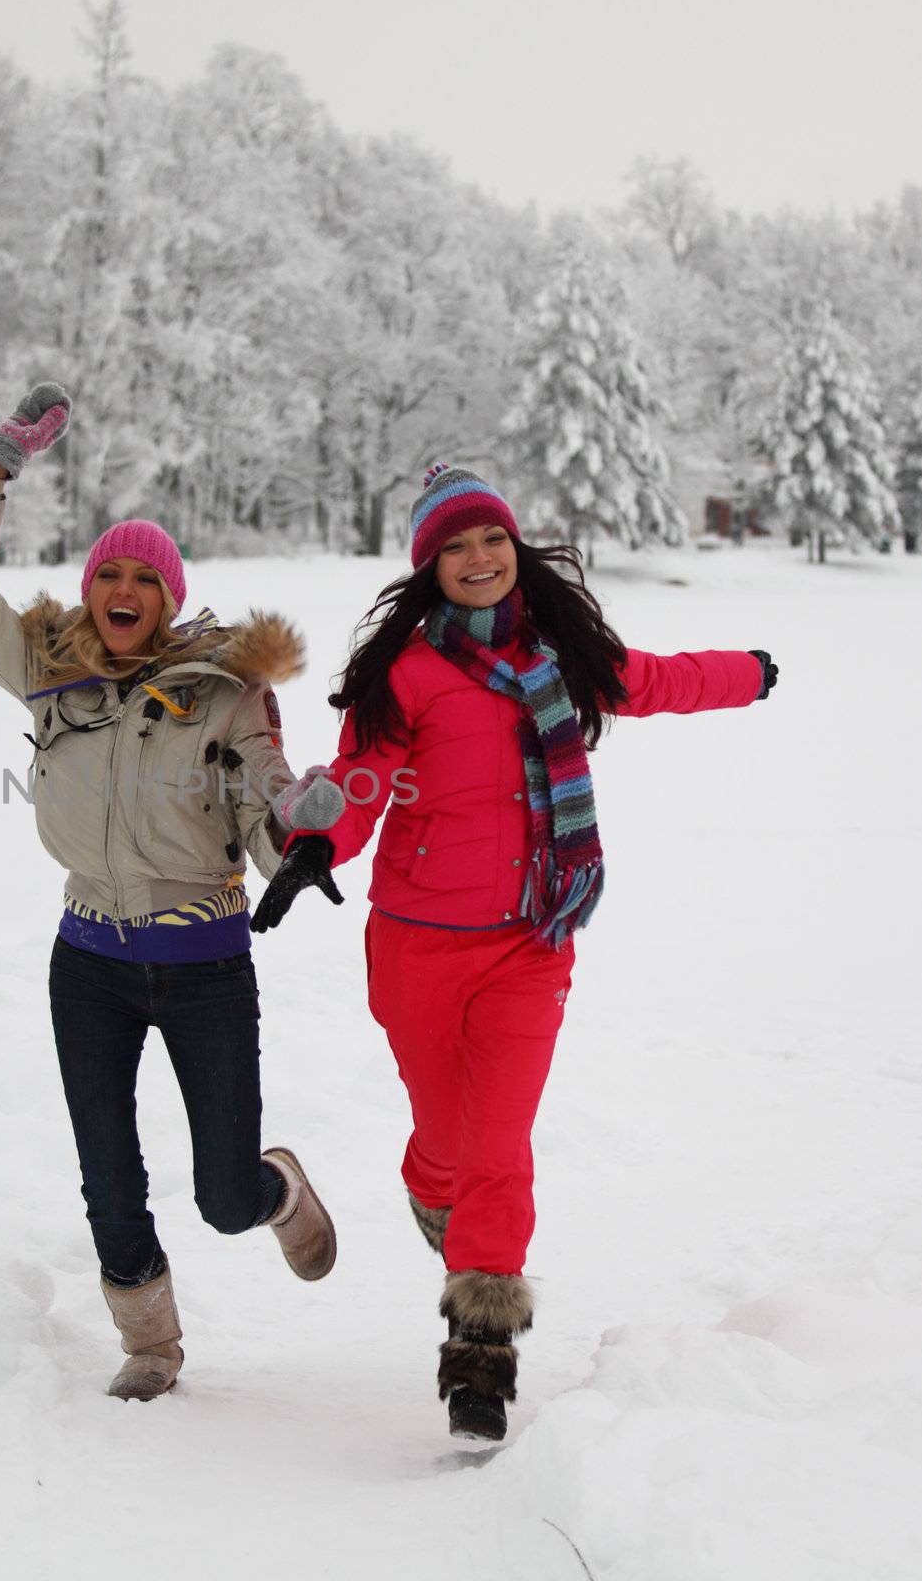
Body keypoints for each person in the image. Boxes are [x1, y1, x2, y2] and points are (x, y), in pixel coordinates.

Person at [251, 463, 780, 1441]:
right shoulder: (406, 673)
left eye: (489, 538)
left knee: (497, 1145)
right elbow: (363, 777)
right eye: (455, 546)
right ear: (429, 567)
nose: (479, 558)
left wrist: (745, 672)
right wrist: (317, 836)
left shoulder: (560, 655)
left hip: (530, 942)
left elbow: (653, 680)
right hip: (414, 946)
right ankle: (427, 1188)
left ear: (514, 544)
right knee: (448, 1148)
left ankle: (479, 1354)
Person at [0, 383, 341, 1403]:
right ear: (88, 590)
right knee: (108, 1177)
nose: (119, 588)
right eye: (104, 573)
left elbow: (262, 793)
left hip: (203, 967)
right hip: (91, 965)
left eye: (139, 578)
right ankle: (149, 1344)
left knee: (223, 1196)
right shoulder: (49, 669)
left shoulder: (223, 691)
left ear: (166, 597)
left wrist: (297, 824)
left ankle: (274, 1187)